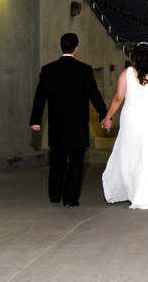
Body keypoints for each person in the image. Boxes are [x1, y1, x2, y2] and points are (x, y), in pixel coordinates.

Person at [30, 33, 108, 207]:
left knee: (57, 160)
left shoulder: (48, 69)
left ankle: (55, 195)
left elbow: (40, 96)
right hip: (77, 125)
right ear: (76, 49)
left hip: (56, 124)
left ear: (60, 47)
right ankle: (70, 199)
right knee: (76, 163)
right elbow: (94, 95)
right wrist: (104, 115)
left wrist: (35, 120)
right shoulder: (84, 70)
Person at [101, 42, 148, 210]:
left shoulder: (127, 74)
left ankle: (133, 191)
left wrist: (107, 118)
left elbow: (118, 97)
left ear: (135, 57)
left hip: (132, 118)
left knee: (131, 154)